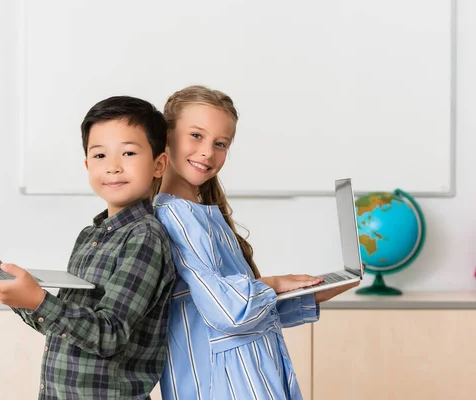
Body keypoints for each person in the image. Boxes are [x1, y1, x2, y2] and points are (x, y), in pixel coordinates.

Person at [0, 96, 176, 400]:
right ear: (86, 165)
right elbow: (62, 324)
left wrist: (38, 299)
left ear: (159, 164)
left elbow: (108, 334)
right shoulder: (90, 236)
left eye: (128, 152)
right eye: (99, 156)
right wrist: (12, 291)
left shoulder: (145, 237)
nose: (112, 167)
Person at [153, 85, 359, 400]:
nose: (208, 151)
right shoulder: (175, 216)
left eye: (220, 143)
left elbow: (234, 310)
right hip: (226, 385)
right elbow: (228, 311)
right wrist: (274, 282)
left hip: (247, 375)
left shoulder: (200, 214)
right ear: (167, 136)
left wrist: (313, 292)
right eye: (196, 135)